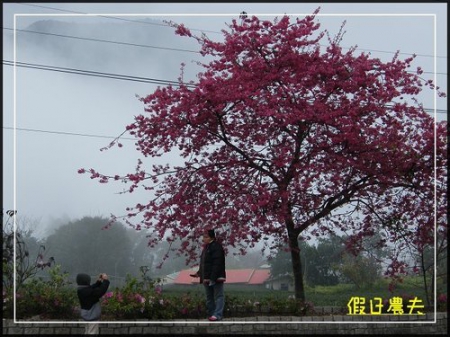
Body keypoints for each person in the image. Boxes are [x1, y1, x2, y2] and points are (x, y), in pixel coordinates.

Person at [190, 229, 226, 321]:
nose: (203, 239)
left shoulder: (217, 247)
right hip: (206, 277)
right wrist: (199, 273)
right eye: (203, 237)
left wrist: (213, 278)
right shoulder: (206, 248)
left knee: (218, 296)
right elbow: (204, 264)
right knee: (209, 297)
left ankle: (218, 314)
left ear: (212, 237)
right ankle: (212, 313)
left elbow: (217, 264)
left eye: (206, 237)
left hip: (216, 277)